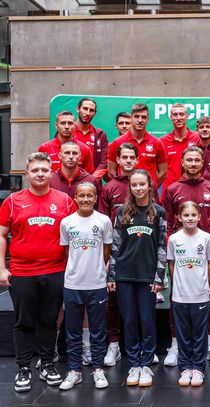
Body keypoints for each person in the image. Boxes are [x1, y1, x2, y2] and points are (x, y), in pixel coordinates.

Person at [0, 152, 76, 393]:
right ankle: (23, 368)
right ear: (27, 174)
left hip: (56, 271)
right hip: (22, 272)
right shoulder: (12, 201)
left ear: (51, 172)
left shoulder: (65, 201)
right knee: (24, 322)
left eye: (44, 170)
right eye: (35, 170)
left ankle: (47, 364)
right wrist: (2, 268)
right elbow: (2, 235)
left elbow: (74, 237)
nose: (40, 174)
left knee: (49, 320)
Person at [162, 146, 210, 367]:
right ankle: (175, 345)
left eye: (197, 160)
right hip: (180, 255)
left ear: (203, 162)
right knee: (175, 300)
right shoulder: (172, 189)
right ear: (182, 162)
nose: (194, 163)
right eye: (189, 160)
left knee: (209, 298)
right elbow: (167, 224)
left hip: (205, 253)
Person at [108, 169, 166, 387]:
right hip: (124, 276)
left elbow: (162, 246)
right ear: (130, 187)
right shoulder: (122, 211)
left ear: (150, 186)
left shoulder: (158, 212)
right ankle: (134, 363)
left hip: (147, 277)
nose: (138, 188)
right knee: (130, 320)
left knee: (147, 320)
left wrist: (159, 277)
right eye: (134, 185)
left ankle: (146, 363)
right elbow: (115, 246)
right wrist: (111, 275)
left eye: (142, 184)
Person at [58, 183, 113, 390]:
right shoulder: (66, 222)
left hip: (96, 284)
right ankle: (75, 371)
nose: (85, 199)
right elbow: (67, 253)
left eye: (90, 196)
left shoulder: (103, 221)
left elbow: (106, 251)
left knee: (98, 330)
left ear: (96, 198)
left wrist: (97, 269)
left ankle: (98, 369)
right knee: (73, 331)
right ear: (75, 198)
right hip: (72, 284)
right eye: (81, 196)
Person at [168, 201, 210, 387]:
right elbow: (172, 264)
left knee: (199, 333)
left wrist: (203, 281)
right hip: (180, 296)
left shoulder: (206, 238)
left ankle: (198, 368)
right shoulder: (174, 239)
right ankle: (185, 367)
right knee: (183, 334)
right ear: (179, 217)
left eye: (193, 215)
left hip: (200, 295)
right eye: (186, 215)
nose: (190, 218)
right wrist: (178, 283)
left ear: (199, 217)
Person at [98, 142, 138, 367]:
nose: (129, 161)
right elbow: (104, 224)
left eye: (132, 157)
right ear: (119, 161)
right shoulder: (109, 188)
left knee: (141, 302)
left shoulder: (146, 185)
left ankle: (141, 345)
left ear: (137, 160)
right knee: (112, 301)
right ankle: (114, 345)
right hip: (116, 254)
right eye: (125, 157)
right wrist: (106, 259)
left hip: (140, 254)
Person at [107, 103, 167, 189]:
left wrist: (150, 187)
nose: (140, 120)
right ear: (131, 118)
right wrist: (121, 187)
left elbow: (163, 172)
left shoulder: (157, 143)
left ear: (148, 119)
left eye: (143, 117)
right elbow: (111, 171)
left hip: (149, 194)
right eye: (136, 116)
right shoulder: (117, 142)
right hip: (124, 192)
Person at [160, 103, 200, 196]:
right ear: (171, 117)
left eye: (181, 114)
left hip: (193, 189)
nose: (178, 118)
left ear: (187, 116)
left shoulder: (197, 138)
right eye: (175, 115)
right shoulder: (162, 141)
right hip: (170, 192)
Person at [73, 98, 109, 180]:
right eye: (85, 109)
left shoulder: (100, 135)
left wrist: (91, 180)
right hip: (70, 182)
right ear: (78, 109)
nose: (87, 113)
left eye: (91, 110)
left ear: (95, 113)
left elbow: (103, 163)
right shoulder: (67, 132)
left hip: (93, 182)